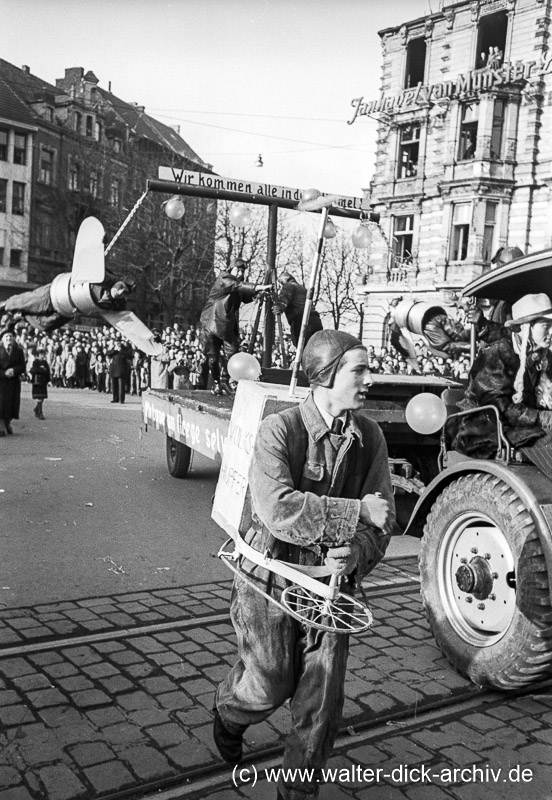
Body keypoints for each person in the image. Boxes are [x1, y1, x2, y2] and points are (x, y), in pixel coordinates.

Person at [214, 329, 395, 800]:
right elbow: (277, 509)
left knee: (319, 710)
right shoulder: (281, 428)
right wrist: (354, 513)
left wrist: (355, 552)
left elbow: (383, 520)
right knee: (268, 684)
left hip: (332, 591)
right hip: (269, 581)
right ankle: (229, 713)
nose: (369, 379)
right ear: (326, 374)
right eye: (359, 369)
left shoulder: (370, 437)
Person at [452, 293, 552, 478]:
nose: (551, 332)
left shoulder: (542, 356)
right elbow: (500, 407)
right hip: (483, 432)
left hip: (519, 428)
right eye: (546, 326)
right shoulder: (496, 354)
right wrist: (544, 418)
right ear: (526, 328)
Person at [199, 258, 271, 395]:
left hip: (227, 326)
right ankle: (216, 382)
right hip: (212, 324)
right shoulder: (223, 279)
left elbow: (244, 295)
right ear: (231, 268)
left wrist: (258, 294)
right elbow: (237, 286)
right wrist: (257, 287)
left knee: (233, 353)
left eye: (242, 271)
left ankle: (225, 380)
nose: (239, 272)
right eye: (237, 269)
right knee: (213, 358)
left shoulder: (235, 285)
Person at [0, 274, 134, 332]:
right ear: (117, 281)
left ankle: (22, 315)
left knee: (44, 326)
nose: (120, 292)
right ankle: (5, 305)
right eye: (121, 287)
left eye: (125, 293)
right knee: (24, 302)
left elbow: (125, 318)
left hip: (68, 310)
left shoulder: (116, 304)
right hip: (55, 293)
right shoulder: (103, 276)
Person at [272, 271, 323, 347]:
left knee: (302, 349)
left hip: (301, 321)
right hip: (316, 321)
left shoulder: (288, 286)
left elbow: (285, 297)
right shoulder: (304, 289)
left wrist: (280, 306)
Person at [0, 328, 26, 436]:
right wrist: (4, 373)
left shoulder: (18, 351)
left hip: (14, 382)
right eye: (6, 336)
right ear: (2, 339)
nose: (9, 338)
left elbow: (22, 366)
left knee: (12, 405)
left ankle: (7, 423)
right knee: (1, 405)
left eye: (10, 336)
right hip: (1, 382)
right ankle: (1, 425)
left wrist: (14, 370)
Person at [30, 347, 51, 420]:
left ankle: (36, 409)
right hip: (37, 382)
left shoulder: (45, 362)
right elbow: (34, 370)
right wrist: (42, 369)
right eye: (41, 355)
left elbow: (47, 371)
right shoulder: (35, 362)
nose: (43, 356)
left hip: (43, 382)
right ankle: (40, 412)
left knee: (42, 398)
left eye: (43, 355)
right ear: (37, 355)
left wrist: (49, 380)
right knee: (39, 397)